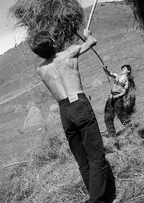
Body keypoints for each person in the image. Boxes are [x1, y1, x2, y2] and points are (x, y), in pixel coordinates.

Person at [29, 29, 108, 203]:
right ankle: (97, 200)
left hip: (64, 111)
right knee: (96, 156)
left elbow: (51, 55)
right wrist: (87, 35)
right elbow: (92, 41)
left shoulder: (40, 70)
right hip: (79, 104)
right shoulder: (70, 52)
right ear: (53, 42)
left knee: (82, 160)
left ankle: (94, 196)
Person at [103, 65, 136, 137]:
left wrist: (116, 96)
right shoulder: (117, 75)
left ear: (128, 71)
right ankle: (112, 136)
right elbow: (109, 73)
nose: (122, 69)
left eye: (124, 68)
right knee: (107, 117)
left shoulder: (127, 80)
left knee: (122, 115)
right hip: (111, 97)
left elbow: (124, 92)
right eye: (122, 68)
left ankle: (132, 130)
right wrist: (105, 69)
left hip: (118, 98)